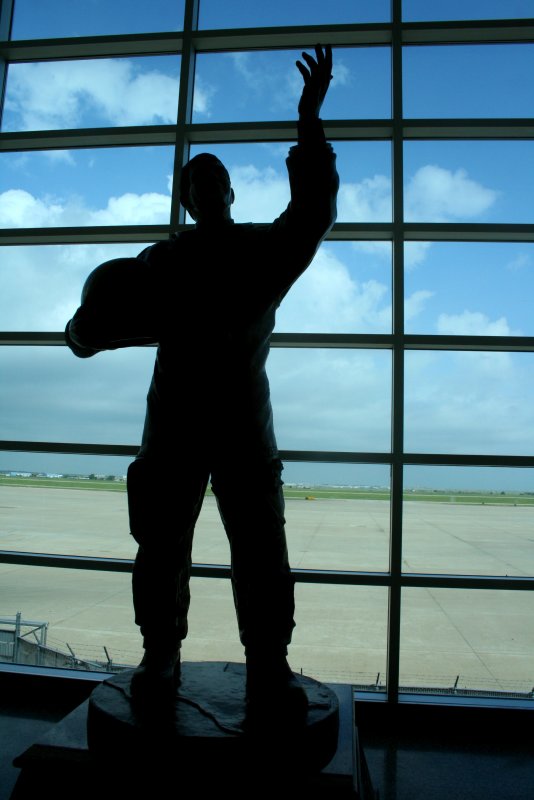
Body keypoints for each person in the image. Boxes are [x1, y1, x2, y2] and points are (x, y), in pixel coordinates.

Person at [66, 45, 338, 719]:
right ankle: (188, 657)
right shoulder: (206, 260)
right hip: (218, 430)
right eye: (197, 179)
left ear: (220, 194)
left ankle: (240, 662)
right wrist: (82, 333)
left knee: (239, 554)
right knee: (189, 550)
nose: (205, 186)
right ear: (192, 198)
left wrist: (309, 121)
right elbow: (95, 330)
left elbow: (312, 207)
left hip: (198, 430)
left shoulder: (177, 262)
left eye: (210, 177)